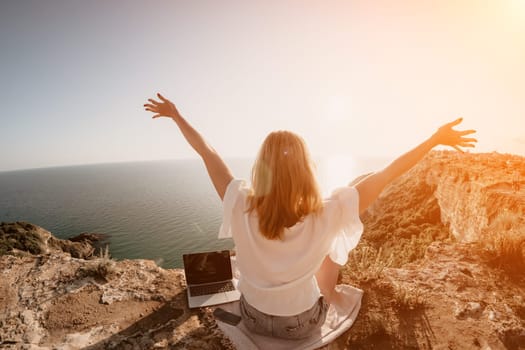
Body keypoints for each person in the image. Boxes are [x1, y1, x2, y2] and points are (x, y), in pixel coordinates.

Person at [144, 93, 477, 339]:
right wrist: (434, 140)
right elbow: (389, 173)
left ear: (262, 167)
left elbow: (208, 152)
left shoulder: (240, 202)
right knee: (334, 242)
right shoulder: (328, 213)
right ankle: (329, 294)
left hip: (254, 318)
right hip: (301, 324)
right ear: (306, 168)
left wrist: (176, 115)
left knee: (348, 195)